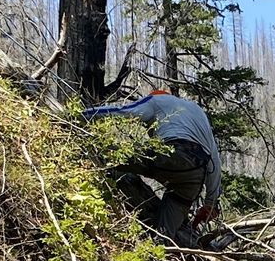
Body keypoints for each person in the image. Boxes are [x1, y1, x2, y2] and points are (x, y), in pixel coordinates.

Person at [82, 89, 222, 245]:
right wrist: (210, 203)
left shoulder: (156, 101)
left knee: (109, 155)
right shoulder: (197, 111)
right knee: (163, 237)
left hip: (171, 155)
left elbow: (124, 112)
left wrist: (82, 115)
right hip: (195, 173)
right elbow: (214, 159)